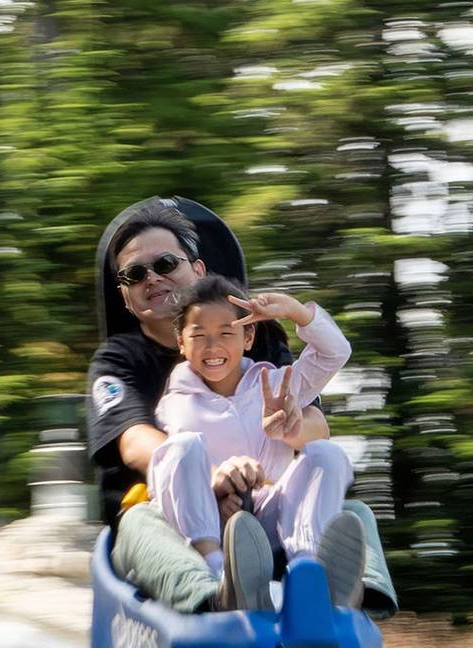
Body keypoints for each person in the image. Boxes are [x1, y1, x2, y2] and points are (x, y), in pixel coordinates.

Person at [85, 198, 398, 614]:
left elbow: (315, 424)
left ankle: (343, 604)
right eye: (135, 274)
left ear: (198, 271)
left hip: (268, 503)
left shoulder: (260, 341)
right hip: (171, 515)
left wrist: (288, 431)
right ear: (124, 295)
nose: (152, 279)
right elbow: (133, 441)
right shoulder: (119, 359)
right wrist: (209, 478)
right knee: (139, 524)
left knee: (351, 511)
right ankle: (217, 596)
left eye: (165, 264)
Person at [149, 274, 365, 610]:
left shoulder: (277, 384)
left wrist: (295, 312)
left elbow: (335, 352)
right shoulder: (175, 403)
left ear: (248, 336)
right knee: (180, 448)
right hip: (215, 522)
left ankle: (308, 571)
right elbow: (175, 478)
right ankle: (219, 572)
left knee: (327, 454)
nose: (212, 347)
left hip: (274, 517)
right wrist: (217, 486)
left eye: (226, 333)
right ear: (181, 342)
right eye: (199, 336)